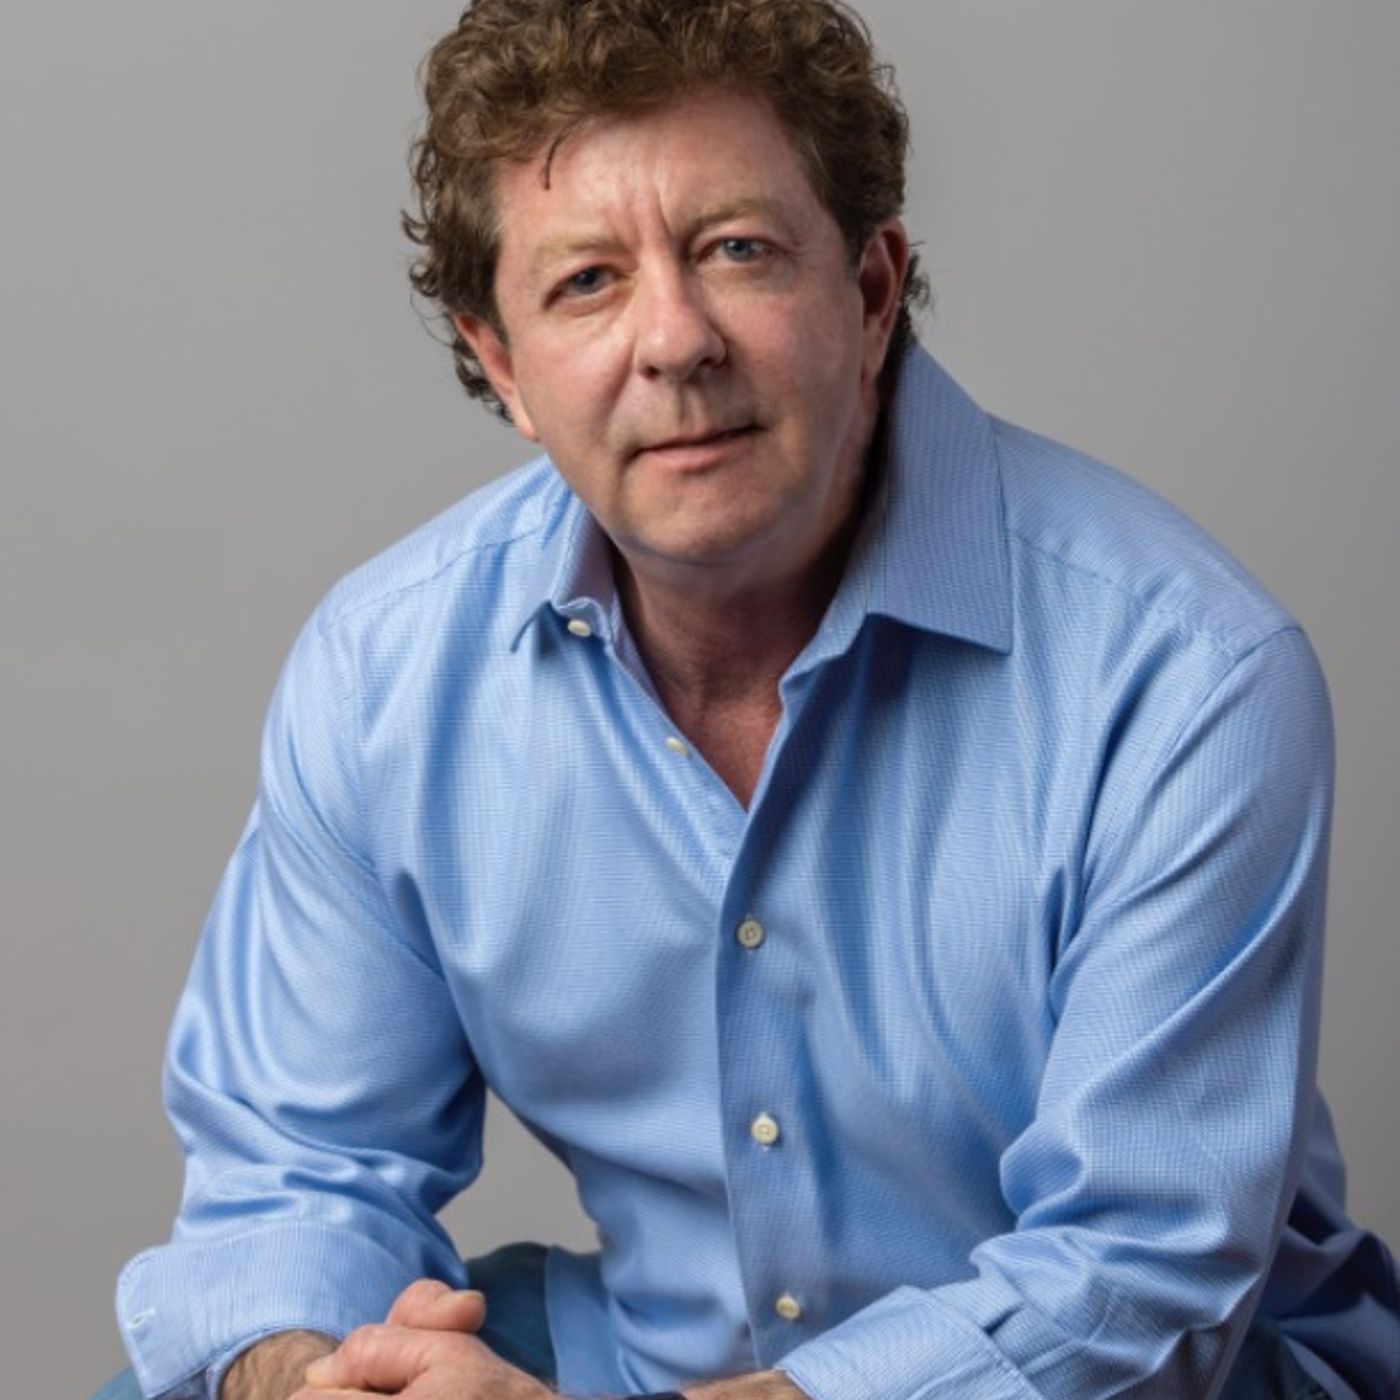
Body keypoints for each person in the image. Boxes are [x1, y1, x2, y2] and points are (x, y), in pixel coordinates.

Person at [98, 1, 1399, 1398]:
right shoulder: (386, 678)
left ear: (874, 291)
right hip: (661, 1355)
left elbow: (1138, 1284)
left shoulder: (1182, 673)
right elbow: (293, 1174)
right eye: (587, 281)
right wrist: (312, 1380)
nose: (674, 341)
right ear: (505, 364)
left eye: (736, 250)